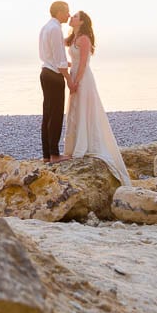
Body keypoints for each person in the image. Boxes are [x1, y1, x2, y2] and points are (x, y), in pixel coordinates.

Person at [63, 10, 132, 186]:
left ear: (82, 22)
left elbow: (84, 63)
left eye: (75, 16)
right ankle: (74, 145)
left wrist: (75, 82)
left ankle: (85, 144)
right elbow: (61, 49)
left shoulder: (84, 38)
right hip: (74, 74)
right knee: (75, 110)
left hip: (83, 78)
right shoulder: (72, 37)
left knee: (84, 108)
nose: (71, 17)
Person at [39, 1, 72, 164]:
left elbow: (50, 55)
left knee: (48, 115)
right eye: (67, 11)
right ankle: (54, 154)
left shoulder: (46, 27)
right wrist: (70, 80)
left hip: (45, 72)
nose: (69, 14)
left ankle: (46, 155)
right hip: (53, 75)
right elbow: (59, 59)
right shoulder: (55, 29)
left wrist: (66, 64)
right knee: (56, 115)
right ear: (59, 12)